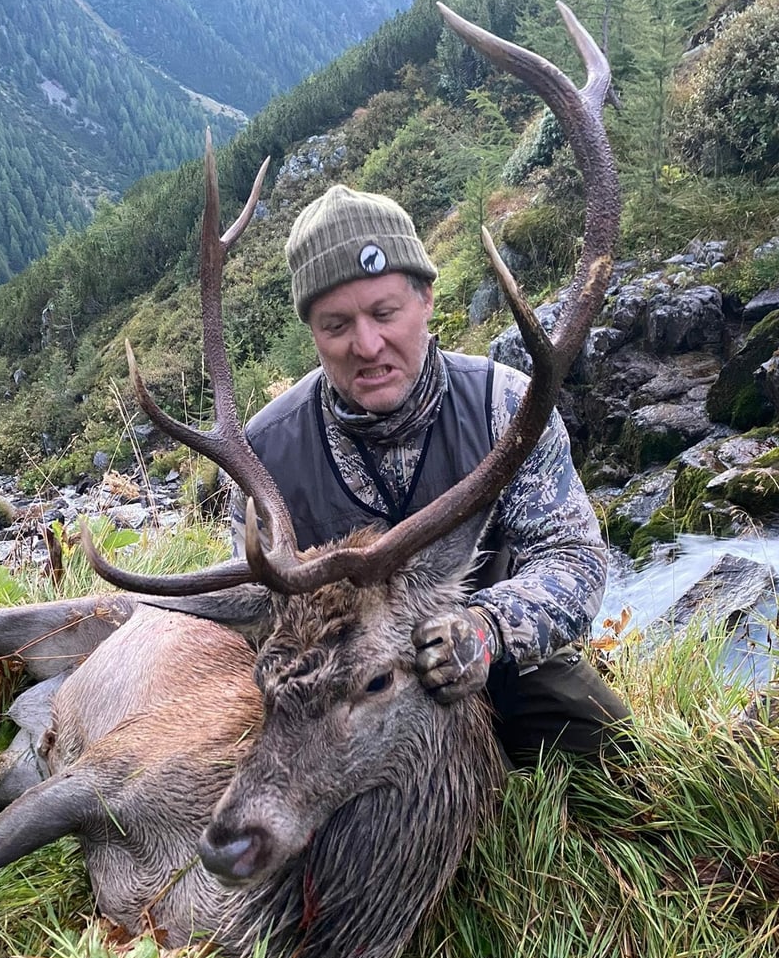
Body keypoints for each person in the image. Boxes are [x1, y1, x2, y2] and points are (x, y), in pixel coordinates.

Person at [229, 184, 629, 766]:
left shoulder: (508, 407)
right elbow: (259, 608)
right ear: (312, 332)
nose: (367, 345)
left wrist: (488, 629)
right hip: (335, 693)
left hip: (492, 665)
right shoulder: (262, 451)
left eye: (385, 312)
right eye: (336, 324)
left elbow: (575, 557)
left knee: (612, 751)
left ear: (427, 300)